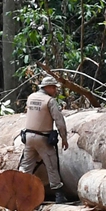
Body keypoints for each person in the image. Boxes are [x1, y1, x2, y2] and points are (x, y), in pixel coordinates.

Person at [18, 75, 69, 204]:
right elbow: (59, 121)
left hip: (28, 137)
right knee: (51, 165)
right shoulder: (49, 101)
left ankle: (18, 191)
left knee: (26, 166)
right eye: (54, 88)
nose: (56, 90)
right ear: (48, 87)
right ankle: (59, 194)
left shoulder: (31, 98)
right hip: (43, 138)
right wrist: (64, 138)